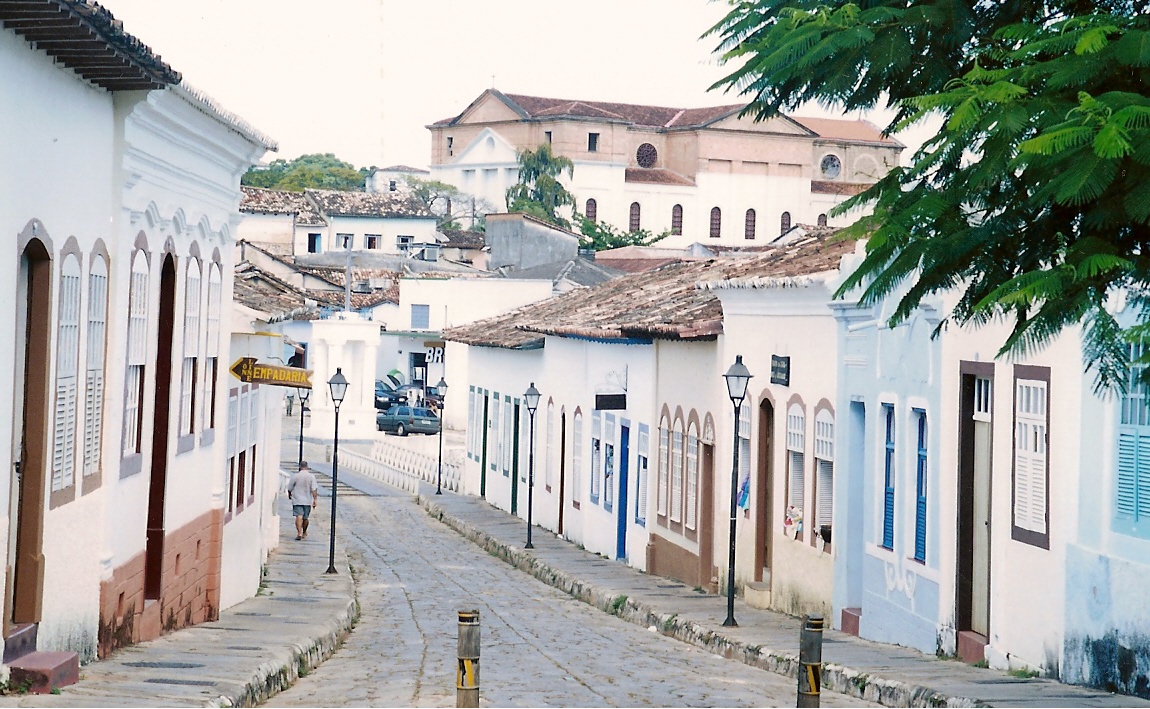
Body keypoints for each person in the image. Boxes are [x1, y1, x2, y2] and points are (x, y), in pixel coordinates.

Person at [287, 461, 318, 541]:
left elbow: (290, 487)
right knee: (305, 518)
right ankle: (304, 532)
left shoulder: (295, 476)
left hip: (297, 499)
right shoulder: (311, 477)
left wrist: (289, 494)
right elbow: (314, 489)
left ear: (300, 467)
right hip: (307, 500)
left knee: (298, 516)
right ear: (307, 467)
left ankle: (299, 533)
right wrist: (315, 499)